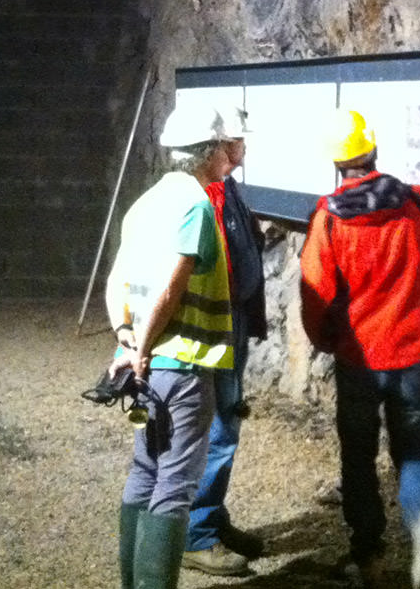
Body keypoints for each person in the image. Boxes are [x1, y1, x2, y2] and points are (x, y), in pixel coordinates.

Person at [299, 109, 420, 589]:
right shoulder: (413, 201)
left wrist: (325, 339)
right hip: (411, 354)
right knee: (412, 451)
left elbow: (314, 293)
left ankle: (368, 559)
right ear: (373, 151)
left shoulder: (329, 218)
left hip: (359, 359)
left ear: (336, 161)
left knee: (359, 456)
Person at [104, 102, 238, 589]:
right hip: (179, 362)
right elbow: (170, 286)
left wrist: (124, 336)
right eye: (225, 147)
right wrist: (142, 345)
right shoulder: (195, 206)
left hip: (145, 362)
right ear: (209, 152)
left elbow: (118, 276)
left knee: (145, 471)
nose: (231, 155)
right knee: (176, 483)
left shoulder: (146, 202)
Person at [183, 106, 268, 577]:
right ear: (217, 147)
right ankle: (197, 535)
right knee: (219, 430)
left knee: (225, 424)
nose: (242, 146)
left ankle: (211, 518)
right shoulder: (208, 195)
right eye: (235, 140)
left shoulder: (225, 188)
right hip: (220, 325)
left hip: (232, 320)